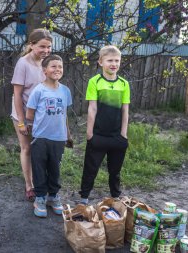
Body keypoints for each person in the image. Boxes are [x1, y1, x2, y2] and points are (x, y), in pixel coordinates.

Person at [79, 45, 130, 205]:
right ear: (101, 62)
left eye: (117, 60)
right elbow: (92, 108)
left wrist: (124, 135)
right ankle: (84, 198)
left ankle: (116, 197)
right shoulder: (94, 82)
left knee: (115, 171)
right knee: (90, 169)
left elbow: (125, 110)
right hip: (98, 135)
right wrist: (89, 133)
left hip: (117, 137)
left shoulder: (124, 84)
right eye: (109, 60)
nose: (113, 64)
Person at [26, 54, 73, 218]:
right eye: (53, 66)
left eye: (60, 67)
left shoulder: (65, 91)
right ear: (44, 70)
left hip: (58, 138)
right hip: (40, 137)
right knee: (39, 167)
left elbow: (65, 115)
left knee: (55, 168)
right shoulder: (38, 90)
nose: (57, 69)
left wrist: (68, 134)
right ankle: (39, 198)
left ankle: (53, 196)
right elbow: (30, 114)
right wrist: (34, 130)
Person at [11, 29, 53, 202]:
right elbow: (17, 95)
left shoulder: (47, 63)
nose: (46, 50)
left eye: (49, 47)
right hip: (23, 115)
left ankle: (42, 182)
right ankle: (29, 185)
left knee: (42, 150)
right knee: (27, 148)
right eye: (42, 46)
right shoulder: (23, 63)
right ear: (31, 45)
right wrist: (22, 122)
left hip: (42, 116)